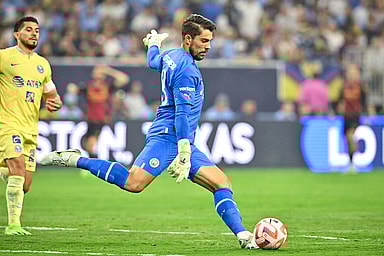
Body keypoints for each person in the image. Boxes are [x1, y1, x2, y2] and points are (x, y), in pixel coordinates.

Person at [40, 14, 257, 249]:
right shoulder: (186, 70)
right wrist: (184, 150)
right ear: (187, 39)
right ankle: (74, 159)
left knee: (221, 182)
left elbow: (154, 61)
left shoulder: (173, 55)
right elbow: (182, 114)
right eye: (204, 41)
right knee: (134, 183)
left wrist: (153, 43)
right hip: (168, 136)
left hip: (180, 138)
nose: (208, 46)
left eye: (209, 41)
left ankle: (243, 235)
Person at [0, 16, 63, 235]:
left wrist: (55, 102)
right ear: (17, 34)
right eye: (28, 30)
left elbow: (52, 94)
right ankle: (13, 225)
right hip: (7, 124)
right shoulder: (4, 57)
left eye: (37, 30)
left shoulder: (42, 64)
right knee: (17, 168)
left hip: (30, 129)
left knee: (24, 184)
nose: (34, 33)